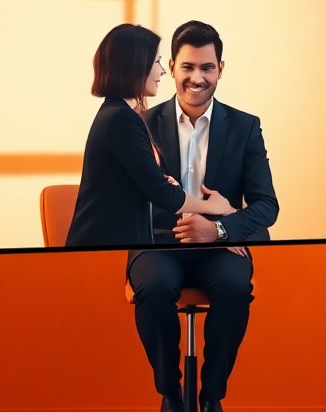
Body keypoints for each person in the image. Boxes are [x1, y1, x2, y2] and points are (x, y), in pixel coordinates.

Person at [128, 20, 279, 412]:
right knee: (153, 289)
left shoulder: (245, 126)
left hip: (220, 247)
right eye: (188, 67)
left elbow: (267, 205)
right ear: (171, 67)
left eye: (207, 67)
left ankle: (212, 394)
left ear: (221, 69)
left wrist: (221, 229)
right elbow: (125, 198)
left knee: (234, 288)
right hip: (158, 244)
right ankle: (171, 392)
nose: (197, 77)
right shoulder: (140, 124)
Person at [66, 24, 235, 249]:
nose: (162, 71)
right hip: (102, 250)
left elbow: (139, 179)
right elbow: (163, 195)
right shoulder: (120, 119)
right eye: (157, 62)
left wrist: (159, 180)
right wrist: (213, 206)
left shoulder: (120, 114)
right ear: (136, 65)